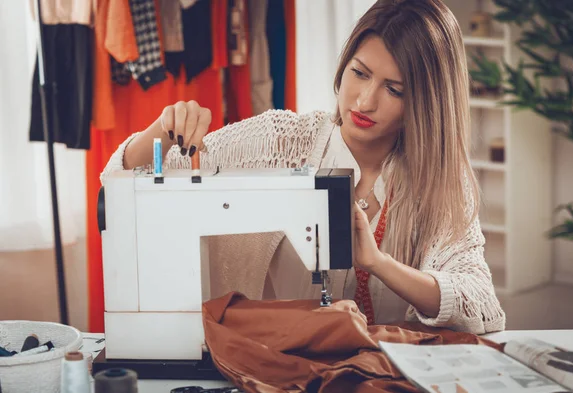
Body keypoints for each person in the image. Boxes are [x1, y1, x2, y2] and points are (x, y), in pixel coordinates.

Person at [101, 0, 506, 334]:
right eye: (359, 73)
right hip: (272, 366)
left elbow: (482, 304)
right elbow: (121, 182)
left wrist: (378, 264)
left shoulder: (440, 185)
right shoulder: (280, 140)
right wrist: (164, 127)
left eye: (394, 89)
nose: (364, 101)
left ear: (427, 102)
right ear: (343, 65)